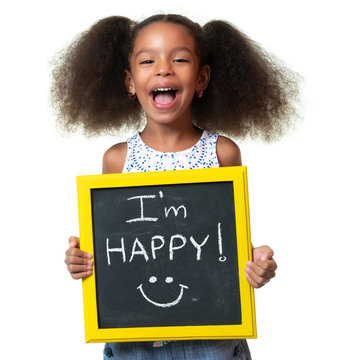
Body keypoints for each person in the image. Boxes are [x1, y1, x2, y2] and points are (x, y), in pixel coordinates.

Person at [52, 13, 299, 359]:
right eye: (148, 60)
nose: (164, 69)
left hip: (210, 339)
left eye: (179, 59)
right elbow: (113, 249)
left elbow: (224, 240)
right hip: (136, 341)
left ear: (202, 78)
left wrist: (255, 261)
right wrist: (82, 261)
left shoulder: (221, 152)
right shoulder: (117, 160)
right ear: (129, 81)